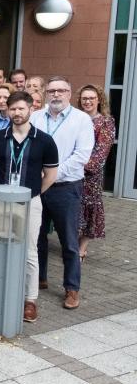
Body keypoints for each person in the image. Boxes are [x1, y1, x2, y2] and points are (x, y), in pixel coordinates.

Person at [0, 91, 59, 323]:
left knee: (29, 251)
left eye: (21, 108)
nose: (17, 113)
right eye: (13, 109)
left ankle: (30, 300)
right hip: (0, 202)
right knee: (0, 246)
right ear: (7, 110)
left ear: (30, 109)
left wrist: (34, 193)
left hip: (30, 202)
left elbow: (50, 175)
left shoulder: (44, 140)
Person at [29, 77, 94, 309]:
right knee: (36, 237)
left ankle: (72, 288)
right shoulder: (35, 117)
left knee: (68, 241)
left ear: (69, 93)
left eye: (61, 91)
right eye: (52, 90)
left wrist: (51, 174)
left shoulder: (82, 120)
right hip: (37, 187)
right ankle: (40, 278)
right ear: (46, 93)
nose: (56, 95)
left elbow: (81, 156)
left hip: (66, 188)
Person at [77, 84, 116, 262]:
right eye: (84, 98)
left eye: (91, 98)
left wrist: (78, 165)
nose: (88, 101)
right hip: (73, 174)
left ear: (99, 100)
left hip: (90, 176)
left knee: (90, 211)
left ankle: (81, 248)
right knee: (75, 210)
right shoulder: (75, 118)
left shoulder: (106, 122)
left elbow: (101, 152)